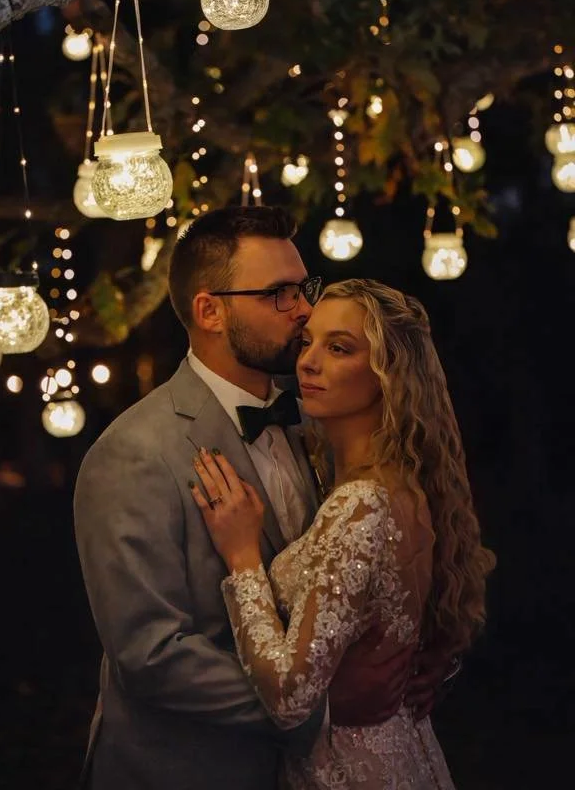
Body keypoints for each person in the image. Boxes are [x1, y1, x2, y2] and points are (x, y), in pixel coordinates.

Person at [73, 207, 446, 790]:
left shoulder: (322, 416)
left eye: (303, 288)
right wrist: (324, 712)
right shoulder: (134, 453)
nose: (303, 310)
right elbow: (151, 656)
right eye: (278, 294)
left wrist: (410, 662)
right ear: (209, 311)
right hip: (191, 771)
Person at [190, 277, 496, 790]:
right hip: (399, 746)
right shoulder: (395, 484)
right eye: (307, 342)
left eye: (339, 348)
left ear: (388, 375)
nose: (308, 362)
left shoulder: (361, 504)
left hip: (349, 768)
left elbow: (290, 697)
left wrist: (243, 558)